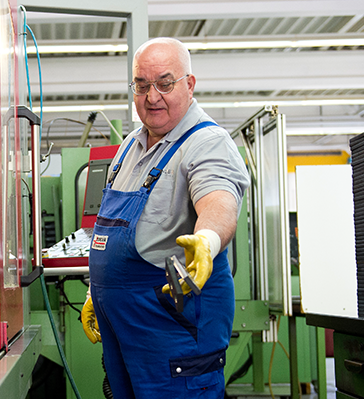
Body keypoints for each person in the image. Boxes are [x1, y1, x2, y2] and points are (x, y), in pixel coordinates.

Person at [80, 37, 250, 398]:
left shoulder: (207, 143)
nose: (151, 96)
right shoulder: (129, 147)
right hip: (125, 333)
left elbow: (219, 203)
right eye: (142, 85)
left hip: (172, 333)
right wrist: (97, 290)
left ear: (189, 84)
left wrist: (207, 240)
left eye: (164, 83)